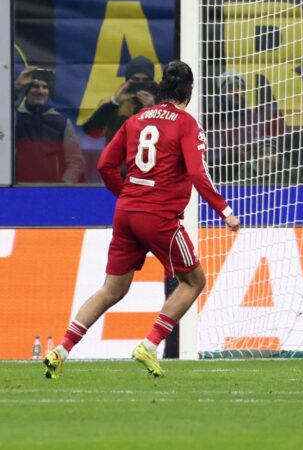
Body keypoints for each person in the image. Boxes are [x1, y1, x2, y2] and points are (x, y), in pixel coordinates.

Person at [43, 60, 241, 379]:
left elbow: (106, 164)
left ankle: (61, 348)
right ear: (190, 90)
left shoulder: (137, 120)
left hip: (127, 212)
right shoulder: (186, 124)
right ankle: (150, 344)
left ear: (162, 87)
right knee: (195, 281)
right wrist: (225, 211)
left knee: (111, 290)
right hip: (159, 215)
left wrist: (127, 196)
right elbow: (196, 172)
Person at [13, 66, 85, 183]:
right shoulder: (14, 118)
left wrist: (62, 186)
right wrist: (16, 87)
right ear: (26, 91)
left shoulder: (61, 123)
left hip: (50, 192)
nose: (40, 91)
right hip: (17, 190)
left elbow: (76, 161)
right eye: (35, 86)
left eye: (45, 87)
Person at [82, 56, 158, 144]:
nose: (140, 84)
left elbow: (170, 137)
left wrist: (153, 111)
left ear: (151, 82)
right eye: (135, 80)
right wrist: (114, 103)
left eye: (145, 80)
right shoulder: (112, 104)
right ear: (127, 81)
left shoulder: (162, 104)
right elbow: (91, 131)